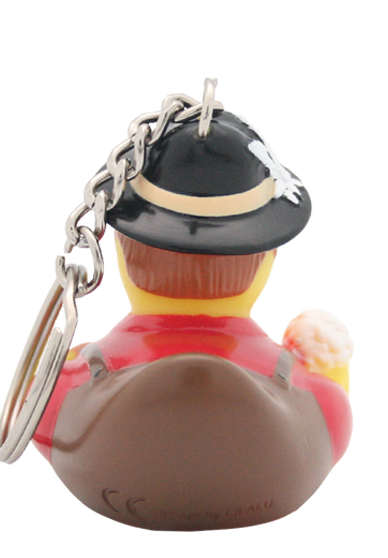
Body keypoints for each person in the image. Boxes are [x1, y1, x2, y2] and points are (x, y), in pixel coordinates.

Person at [32, 111, 352, 527]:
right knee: (329, 401)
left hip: (100, 474)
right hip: (285, 475)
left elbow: (38, 415)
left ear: (122, 253)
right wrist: (328, 369)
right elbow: (335, 411)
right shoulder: (281, 365)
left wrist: (68, 359)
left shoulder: (100, 360)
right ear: (265, 261)